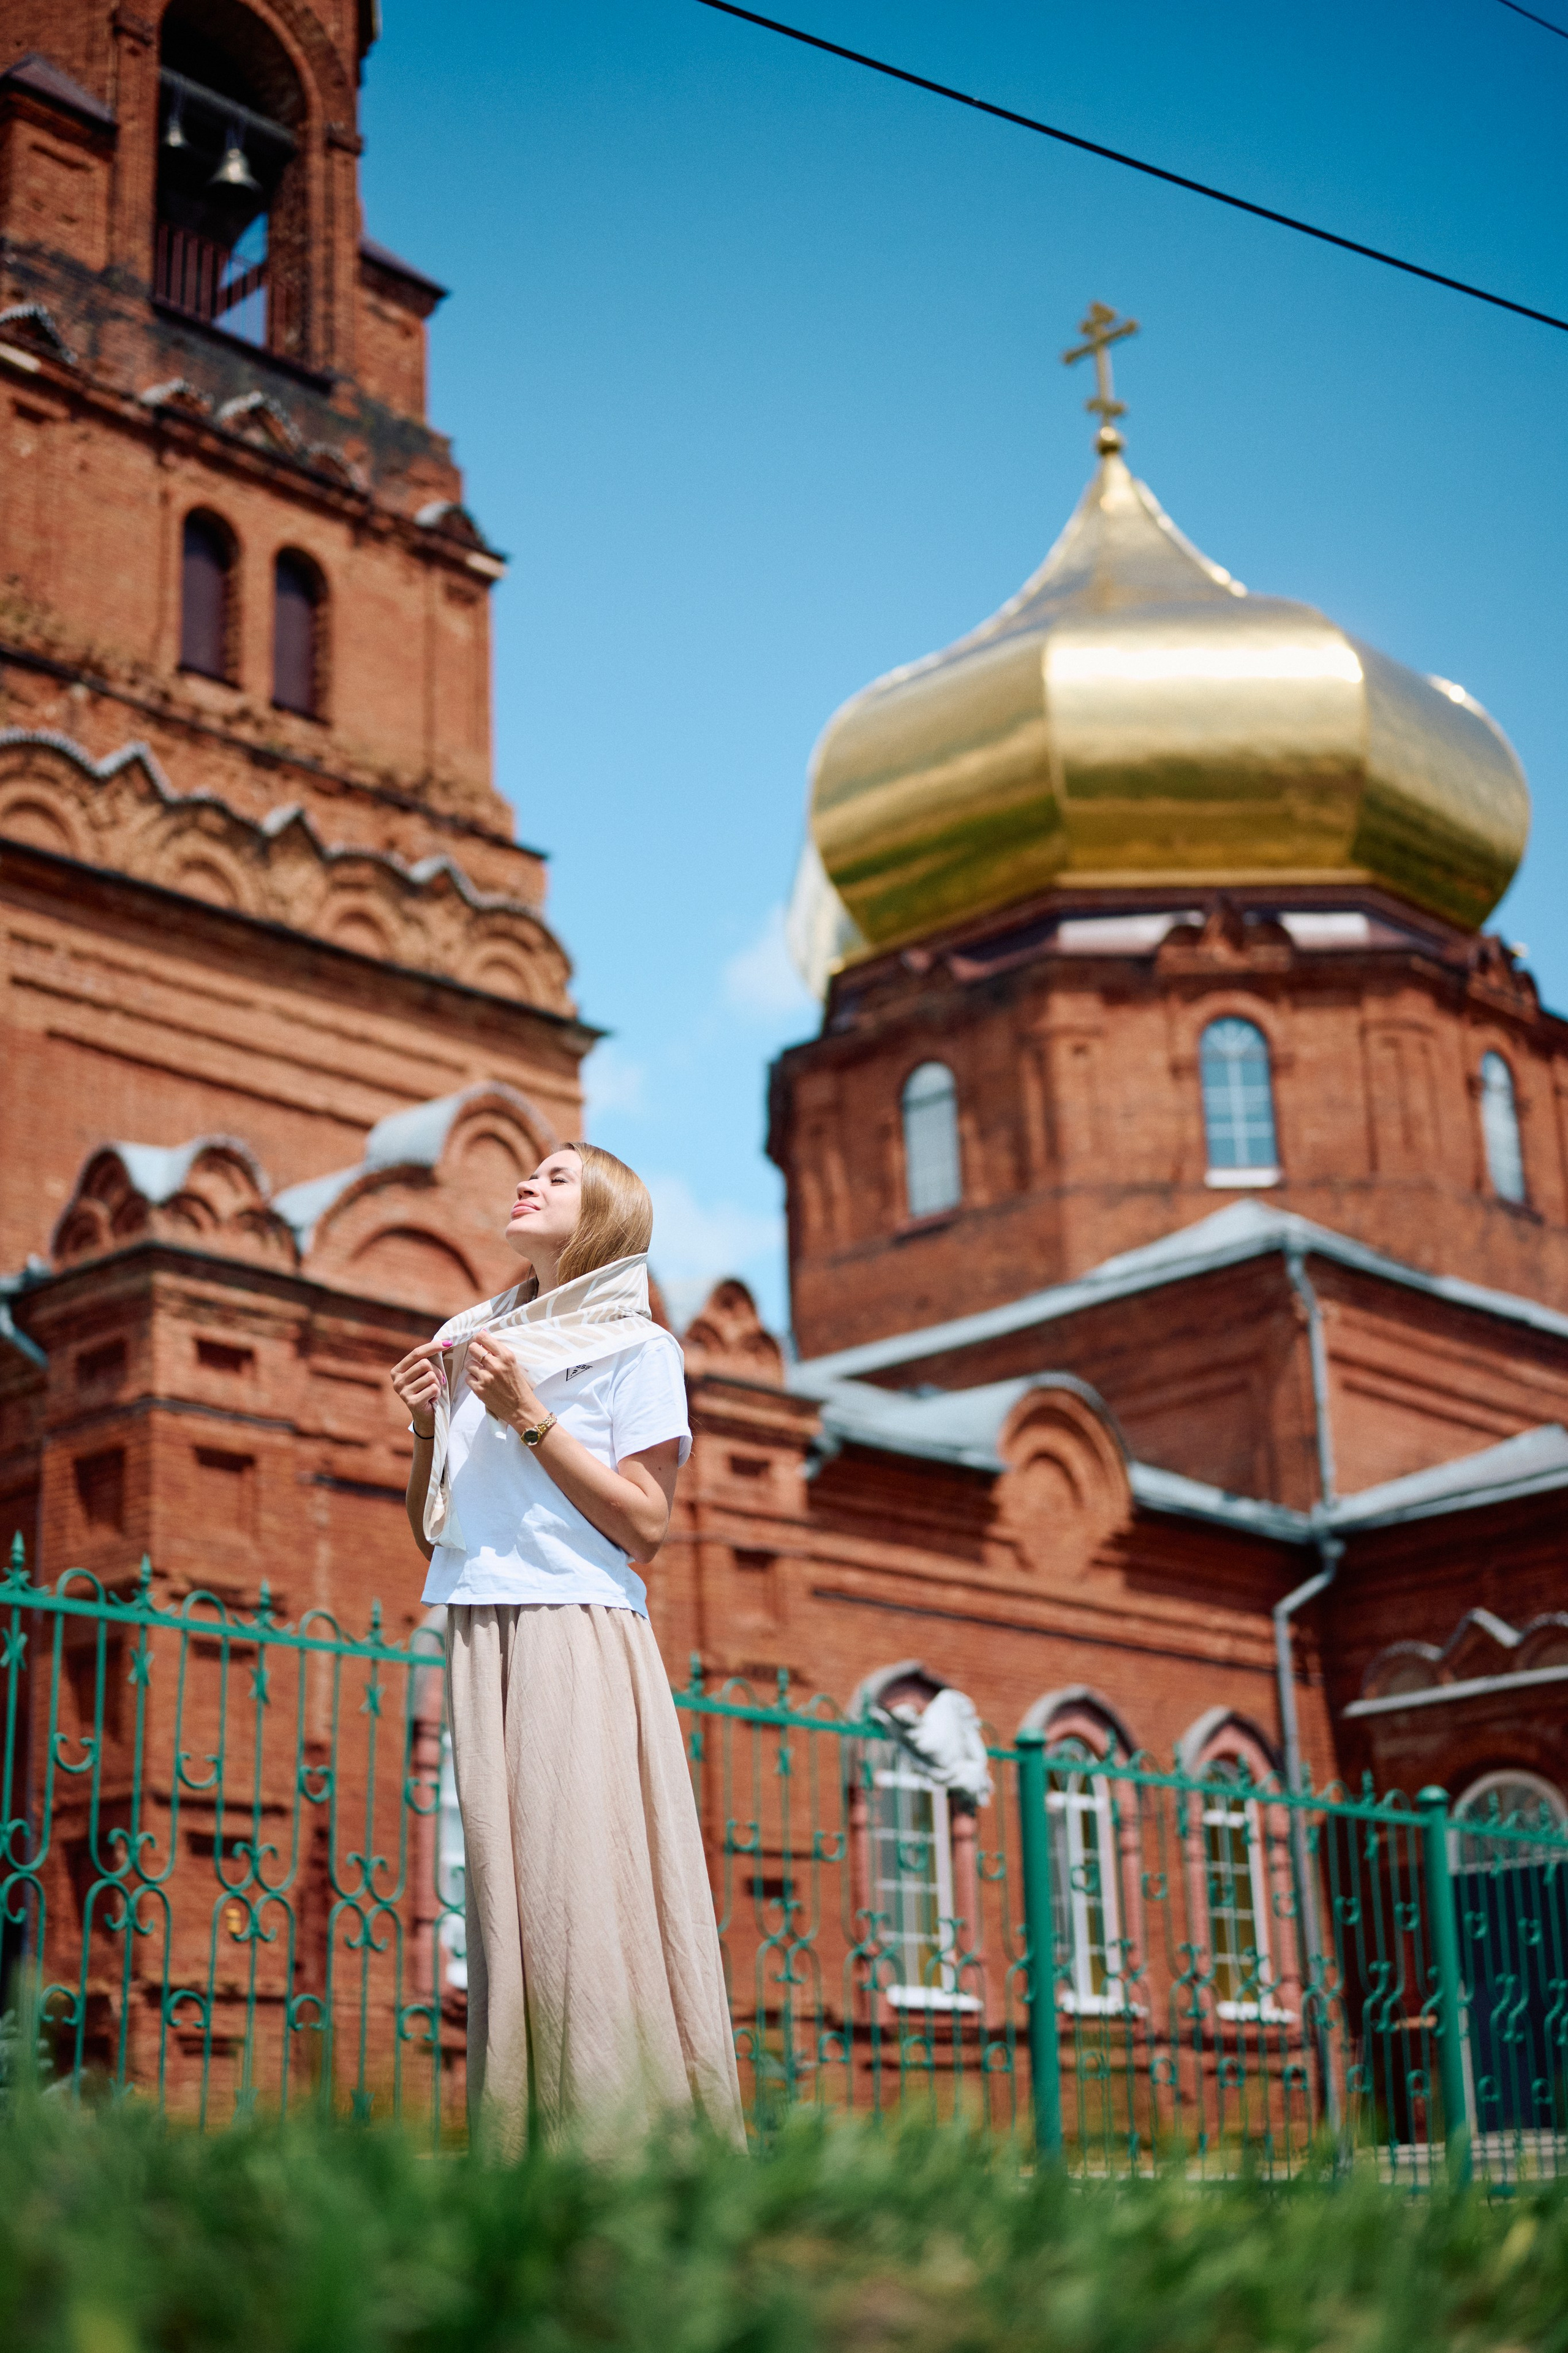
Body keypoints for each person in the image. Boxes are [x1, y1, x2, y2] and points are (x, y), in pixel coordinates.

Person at [390, 1141, 744, 2155]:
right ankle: (527, 2142)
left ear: (602, 1214)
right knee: (509, 1895)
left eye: (555, 1177)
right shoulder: (473, 1335)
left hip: (577, 1625)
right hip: (481, 1623)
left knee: (579, 1878)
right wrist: (426, 1427)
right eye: (529, 1172)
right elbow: (432, 1530)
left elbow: (645, 1523)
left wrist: (530, 1417)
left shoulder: (640, 1347)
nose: (528, 1184)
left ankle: (628, 2138)